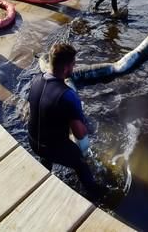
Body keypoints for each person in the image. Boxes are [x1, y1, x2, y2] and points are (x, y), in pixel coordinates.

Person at [27, 43, 102, 200]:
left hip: (33, 142)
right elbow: (79, 133)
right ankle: (97, 196)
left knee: (46, 144)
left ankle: (44, 173)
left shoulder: (35, 80)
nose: (74, 67)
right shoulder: (68, 95)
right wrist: (85, 131)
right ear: (67, 67)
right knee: (80, 164)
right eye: (74, 64)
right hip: (52, 148)